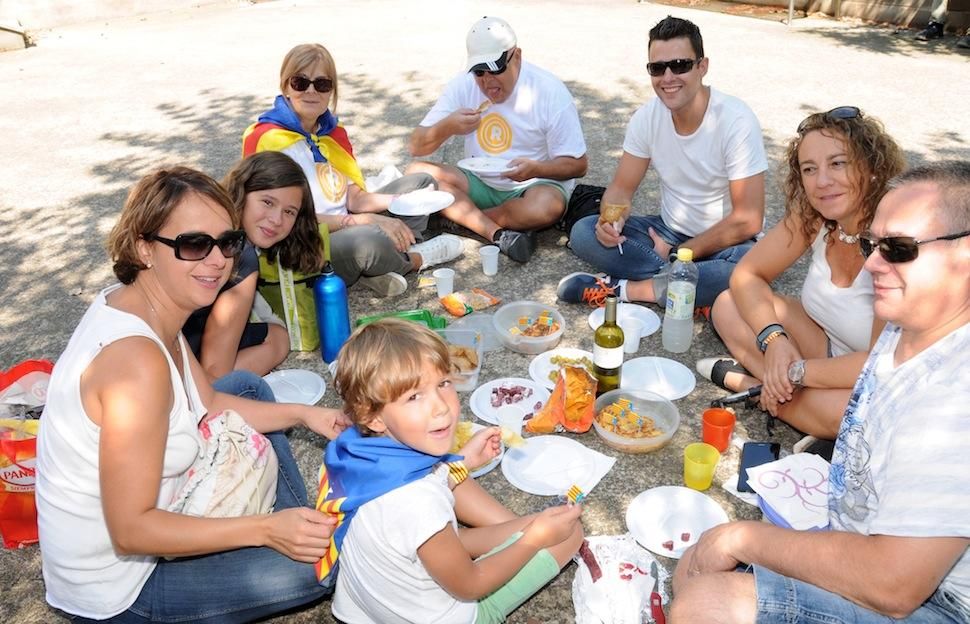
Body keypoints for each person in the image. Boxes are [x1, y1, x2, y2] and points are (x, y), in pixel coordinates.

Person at [35, 166, 352, 622]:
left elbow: (212, 402)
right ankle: (288, 528)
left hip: (159, 514)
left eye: (227, 242)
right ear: (144, 248)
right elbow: (131, 531)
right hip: (125, 585)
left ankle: (294, 524)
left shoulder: (147, 303)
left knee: (245, 386)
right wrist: (263, 530)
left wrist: (306, 415)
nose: (218, 260)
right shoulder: (135, 362)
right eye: (193, 244)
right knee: (345, 553)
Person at [668, 162, 970, 624]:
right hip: (863, 538)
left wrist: (743, 539)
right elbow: (746, 279)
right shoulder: (907, 320)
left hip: (939, 602)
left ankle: (747, 387)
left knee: (708, 602)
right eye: (873, 244)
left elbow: (894, 586)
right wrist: (777, 346)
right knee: (691, 569)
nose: (872, 264)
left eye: (900, 249)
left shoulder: (954, 397)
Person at [320, 318, 585, 623]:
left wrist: (464, 462)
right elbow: (471, 586)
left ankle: (521, 536)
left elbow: (418, 496)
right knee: (569, 534)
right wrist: (533, 539)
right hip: (449, 613)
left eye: (443, 383)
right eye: (414, 397)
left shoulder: (349, 448)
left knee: (457, 474)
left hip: (367, 608)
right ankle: (529, 540)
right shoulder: (418, 503)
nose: (441, 407)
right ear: (375, 417)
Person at [696, 107, 906, 440]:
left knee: (856, 415)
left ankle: (755, 387)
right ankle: (786, 401)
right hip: (824, 348)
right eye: (810, 169)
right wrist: (774, 339)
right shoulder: (816, 216)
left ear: (872, 167)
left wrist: (796, 372)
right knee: (726, 304)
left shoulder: (895, 243)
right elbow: (747, 274)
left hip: (870, 375)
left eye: (838, 163)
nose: (822, 181)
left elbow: (879, 363)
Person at [557, 16, 767, 310]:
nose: (668, 77)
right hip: (667, 231)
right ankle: (683, 287)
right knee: (583, 232)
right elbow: (620, 190)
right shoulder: (647, 117)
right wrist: (610, 220)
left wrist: (679, 253)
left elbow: (748, 219)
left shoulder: (736, 121)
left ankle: (623, 289)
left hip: (726, 243)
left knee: (745, 269)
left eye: (680, 65)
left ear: (702, 67)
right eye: (657, 68)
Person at [243, 43, 464, 297]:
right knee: (366, 241)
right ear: (285, 86)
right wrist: (360, 221)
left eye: (322, 84)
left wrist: (399, 201)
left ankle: (379, 263)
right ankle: (413, 259)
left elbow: (355, 199)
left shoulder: (333, 134)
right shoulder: (266, 139)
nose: (311, 91)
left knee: (421, 184)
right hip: (303, 238)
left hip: (347, 223)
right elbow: (281, 217)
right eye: (300, 82)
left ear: (331, 91)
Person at [406, 16, 589, 263]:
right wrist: (448, 126)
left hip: (533, 185)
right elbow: (416, 146)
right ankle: (494, 231)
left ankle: (461, 218)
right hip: (478, 181)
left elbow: (578, 164)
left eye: (496, 69)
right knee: (416, 173)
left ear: (517, 57)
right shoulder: (462, 85)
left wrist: (536, 169)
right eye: (479, 72)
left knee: (546, 208)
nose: (488, 82)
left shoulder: (549, 91)